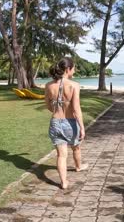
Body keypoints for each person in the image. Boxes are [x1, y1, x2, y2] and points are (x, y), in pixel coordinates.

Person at [45, 57, 88, 189]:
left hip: (55, 122)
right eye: (73, 68)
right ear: (68, 69)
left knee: (61, 155)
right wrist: (82, 127)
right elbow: (76, 109)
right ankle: (78, 167)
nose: (74, 71)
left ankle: (63, 182)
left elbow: (48, 105)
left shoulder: (48, 85)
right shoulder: (74, 85)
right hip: (70, 123)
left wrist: (57, 109)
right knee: (76, 147)